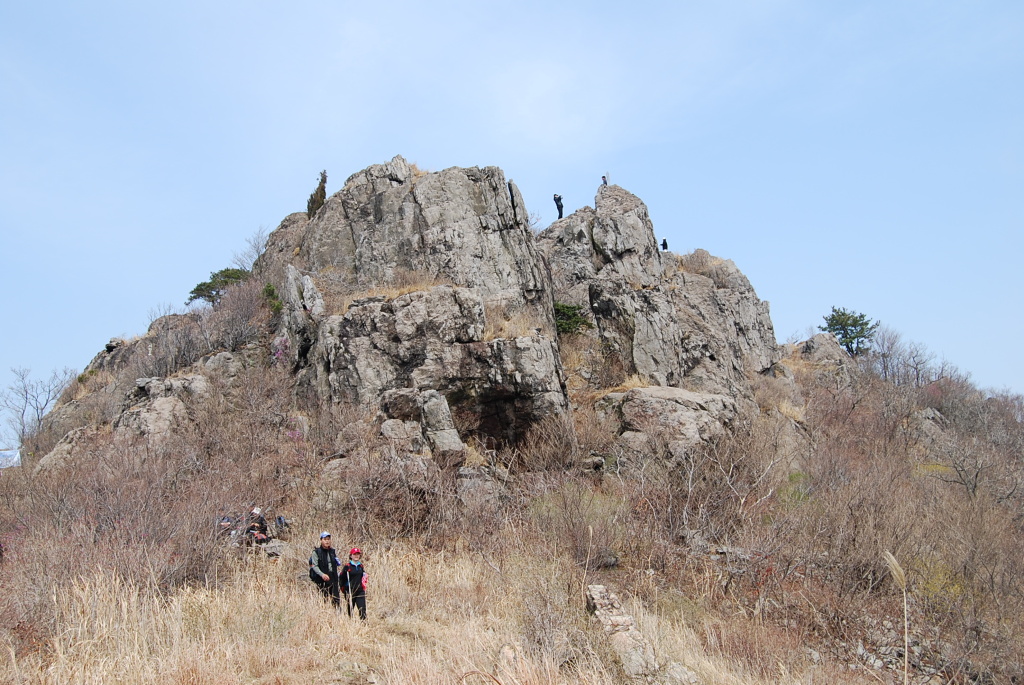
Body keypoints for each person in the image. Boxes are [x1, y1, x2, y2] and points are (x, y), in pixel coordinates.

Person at [309, 532, 342, 608]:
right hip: (321, 579)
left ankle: (338, 616)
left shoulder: (332, 551)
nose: (327, 541)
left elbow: (335, 565)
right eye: (325, 539)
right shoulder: (316, 552)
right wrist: (322, 574)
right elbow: (314, 566)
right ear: (321, 540)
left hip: (333, 578)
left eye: (328, 539)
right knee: (323, 600)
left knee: (336, 599)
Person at [341, 547, 368, 620]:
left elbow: (363, 576)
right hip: (350, 590)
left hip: (360, 590)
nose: (356, 556)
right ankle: (351, 623)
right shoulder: (347, 566)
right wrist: (343, 589)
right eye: (354, 554)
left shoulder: (360, 566)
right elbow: (342, 577)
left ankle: (364, 624)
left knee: (362, 608)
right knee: (350, 608)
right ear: (351, 556)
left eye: (358, 554)